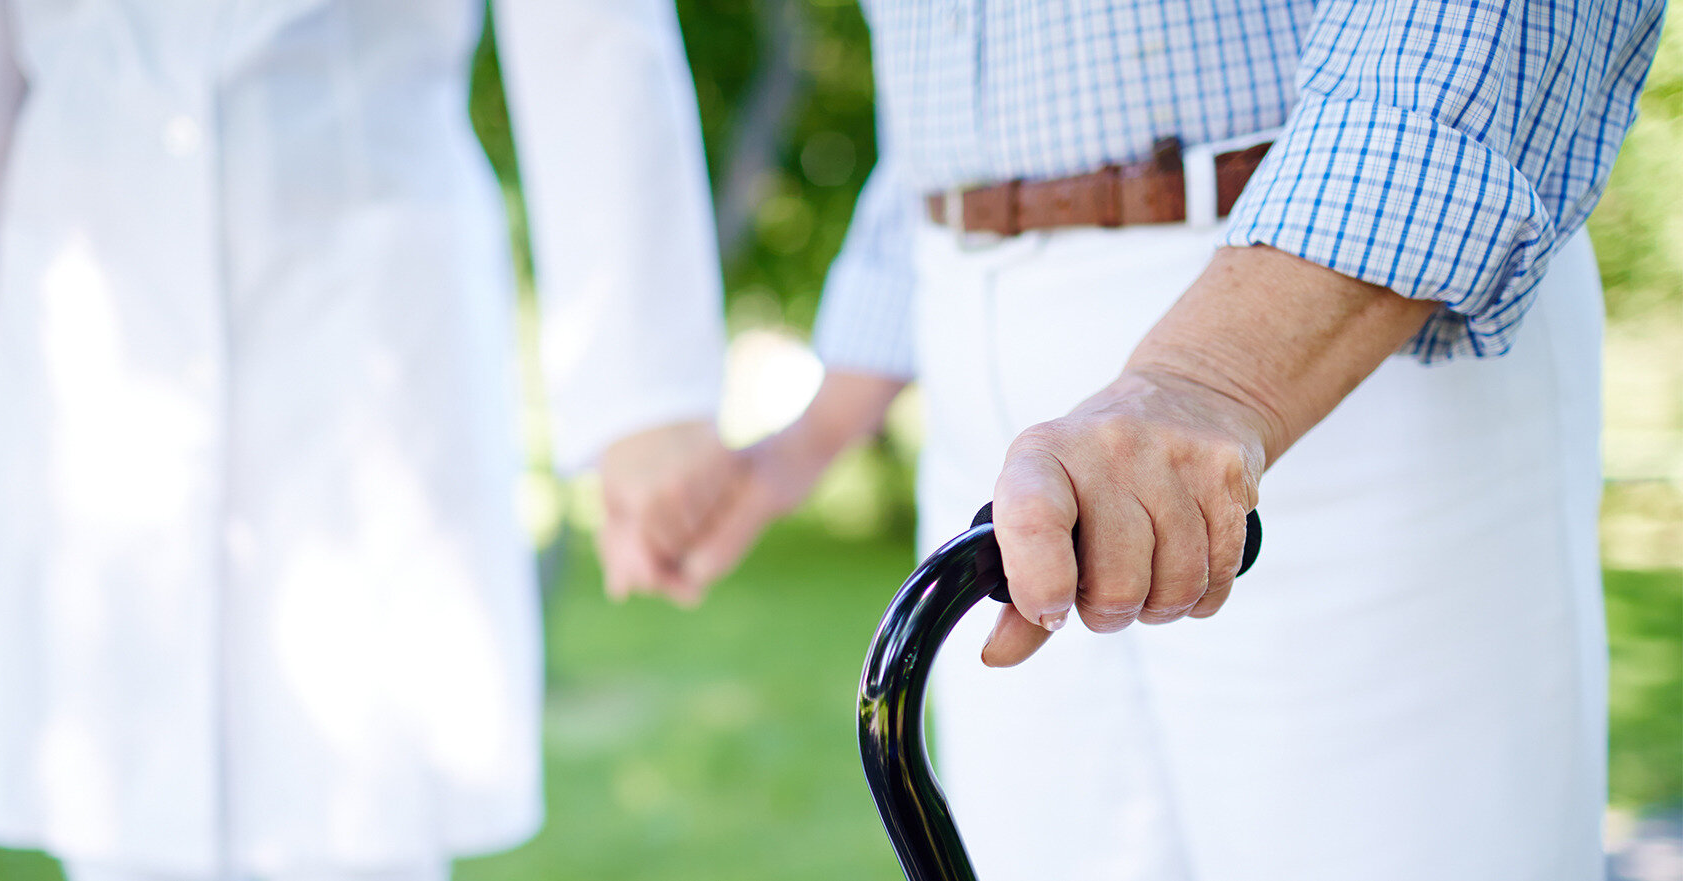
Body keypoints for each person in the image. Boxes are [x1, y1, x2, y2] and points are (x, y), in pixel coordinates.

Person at [642, 2, 1666, 879]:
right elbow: (947, 115)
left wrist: (1211, 379)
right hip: (976, 339)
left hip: (1328, 305)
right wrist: (807, 439)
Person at [0, 1, 731, 879]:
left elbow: (590, 32)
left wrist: (648, 404)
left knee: (362, 793)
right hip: (90, 310)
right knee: (127, 792)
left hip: (369, 302)